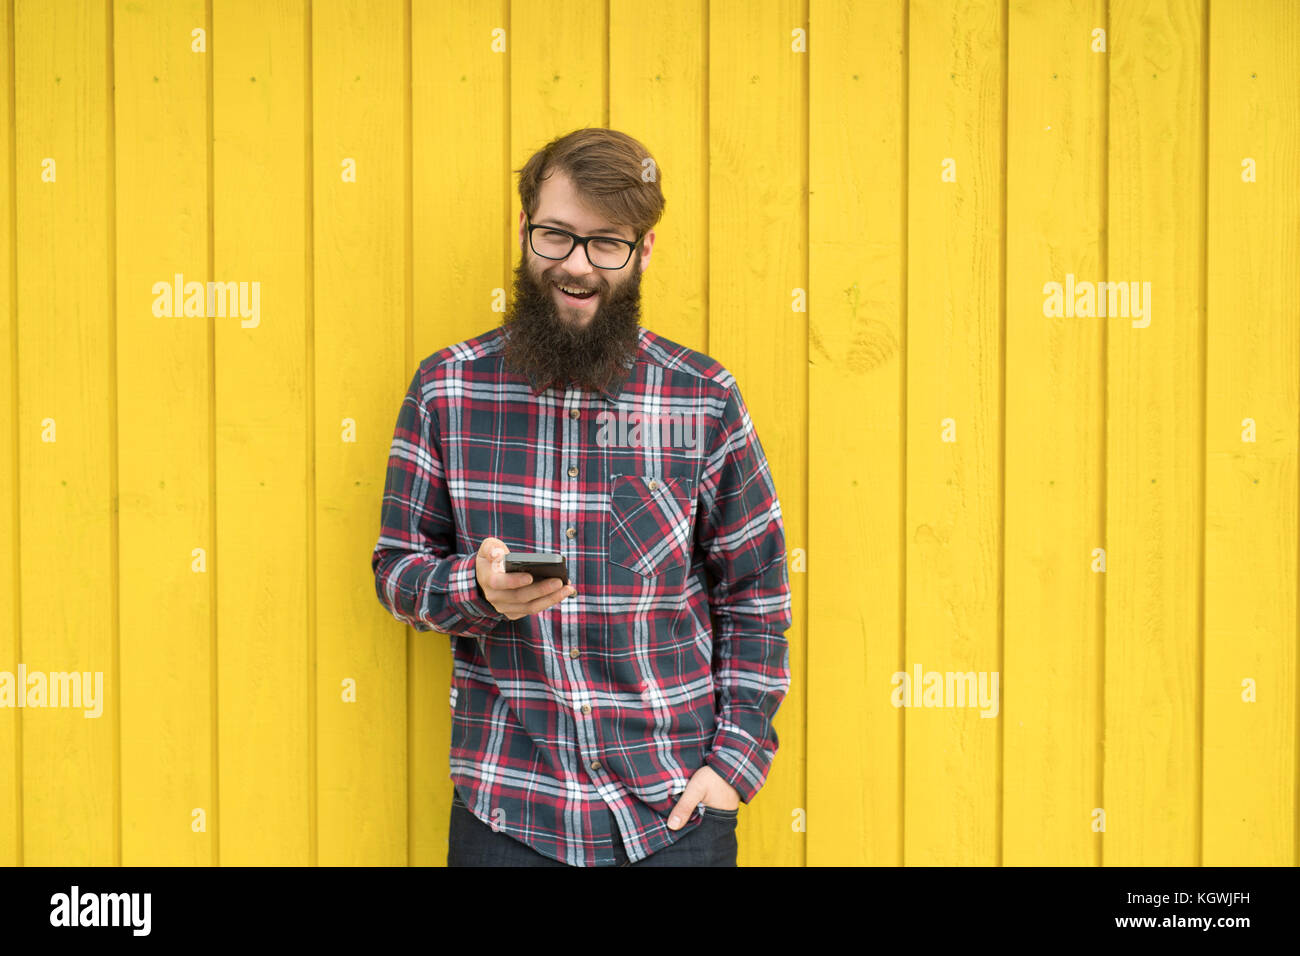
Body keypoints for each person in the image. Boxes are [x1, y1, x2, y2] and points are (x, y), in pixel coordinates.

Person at [371, 127, 791, 867]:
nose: (576, 265)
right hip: (507, 812)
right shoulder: (447, 390)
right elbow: (397, 570)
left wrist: (733, 767)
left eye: (607, 243)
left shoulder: (703, 399)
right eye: (556, 235)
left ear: (644, 251)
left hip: (674, 818)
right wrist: (471, 589)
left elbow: (756, 593)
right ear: (525, 229)